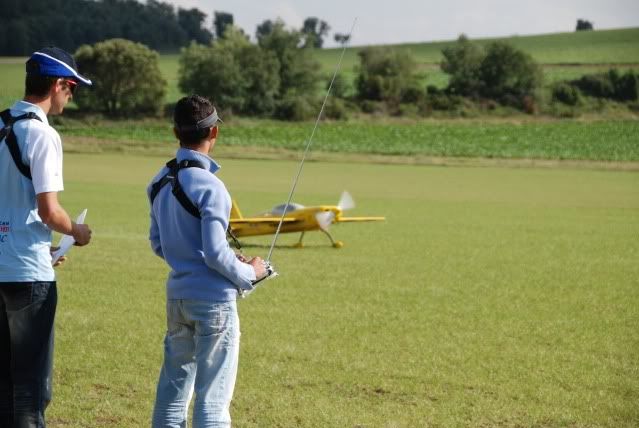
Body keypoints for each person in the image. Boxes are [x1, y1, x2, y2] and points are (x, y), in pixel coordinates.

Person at [148, 94, 267, 427]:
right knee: (213, 400)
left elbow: (159, 245)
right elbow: (215, 253)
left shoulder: (159, 182)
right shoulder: (213, 187)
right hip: (214, 303)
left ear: (175, 132)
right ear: (213, 133)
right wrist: (250, 272)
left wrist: (195, 258)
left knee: (172, 395)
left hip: (178, 299)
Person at [0, 47, 93, 426]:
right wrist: (78, 232)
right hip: (27, 278)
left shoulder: (2, 123)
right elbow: (49, 211)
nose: (71, 95)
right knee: (30, 391)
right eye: (72, 87)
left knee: (4, 386)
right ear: (57, 85)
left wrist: (48, 247)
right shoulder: (42, 134)